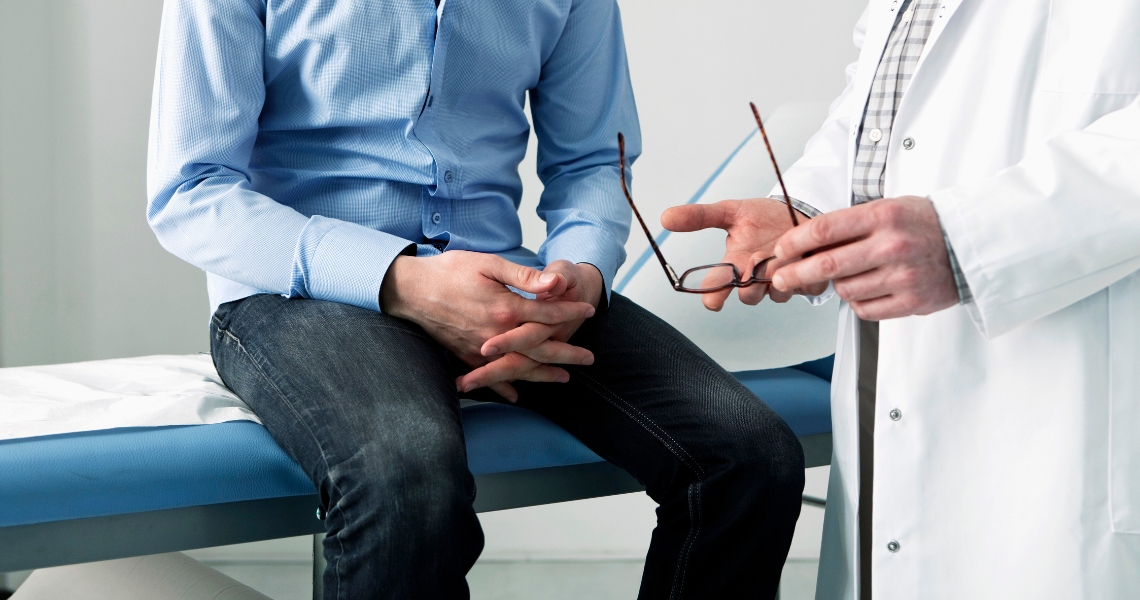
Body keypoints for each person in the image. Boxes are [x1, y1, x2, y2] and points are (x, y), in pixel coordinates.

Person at [146, 0, 805, 598]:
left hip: (509, 283)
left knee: (749, 457)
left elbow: (590, 163)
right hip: (298, 291)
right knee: (407, 477)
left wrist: (577, 277)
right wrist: (404, 280)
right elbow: (192, 191)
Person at [663, 0, 1140, 598]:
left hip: (1083, 363)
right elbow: (879, 115)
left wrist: (967, 240)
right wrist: (810, 212)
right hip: (893, 356)